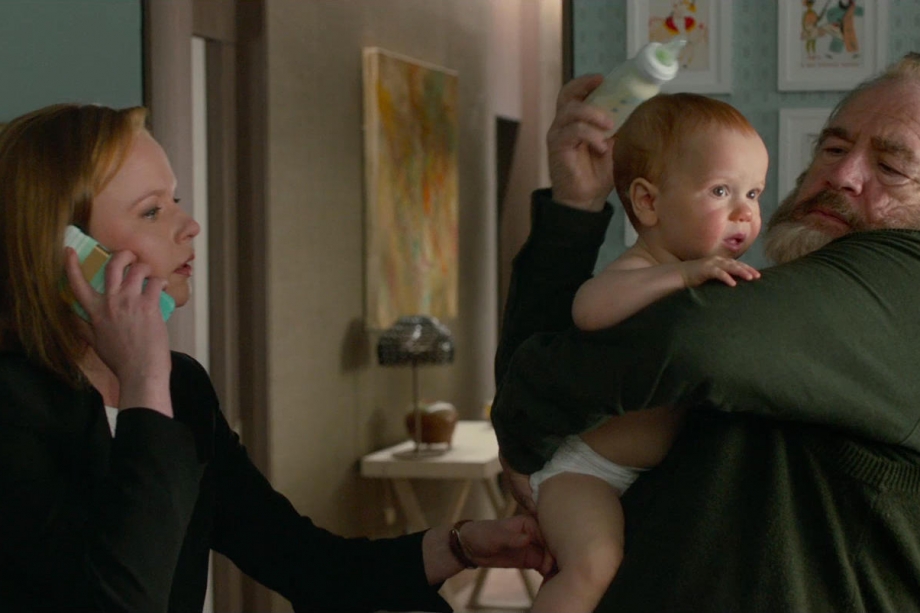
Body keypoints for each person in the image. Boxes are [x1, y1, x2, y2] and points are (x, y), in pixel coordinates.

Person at [0, 103, 553, 613]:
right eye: (151, 211)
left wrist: (462, 545)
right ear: (67, 251)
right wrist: (144, 380)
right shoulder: (15, 405)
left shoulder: (182, 388)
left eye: (176, 200)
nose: (188, 225)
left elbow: (303, 560)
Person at [492, 51, 920, 611]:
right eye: (834, 148)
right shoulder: (763, 297)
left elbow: (690, 343)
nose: (842, 175)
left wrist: (522, 424)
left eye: (891, 167)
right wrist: (576, 205)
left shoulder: (906, 283)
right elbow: (563, 353)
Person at [527, 93, 766, 613]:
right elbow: (590, 308)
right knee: (594, 568)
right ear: (648, 203)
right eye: (720, 191)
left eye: (754, 193)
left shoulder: (705, 279)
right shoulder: (641, 270)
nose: (745, 212)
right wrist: (681, 275)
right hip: (585, 472)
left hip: (643, 477)